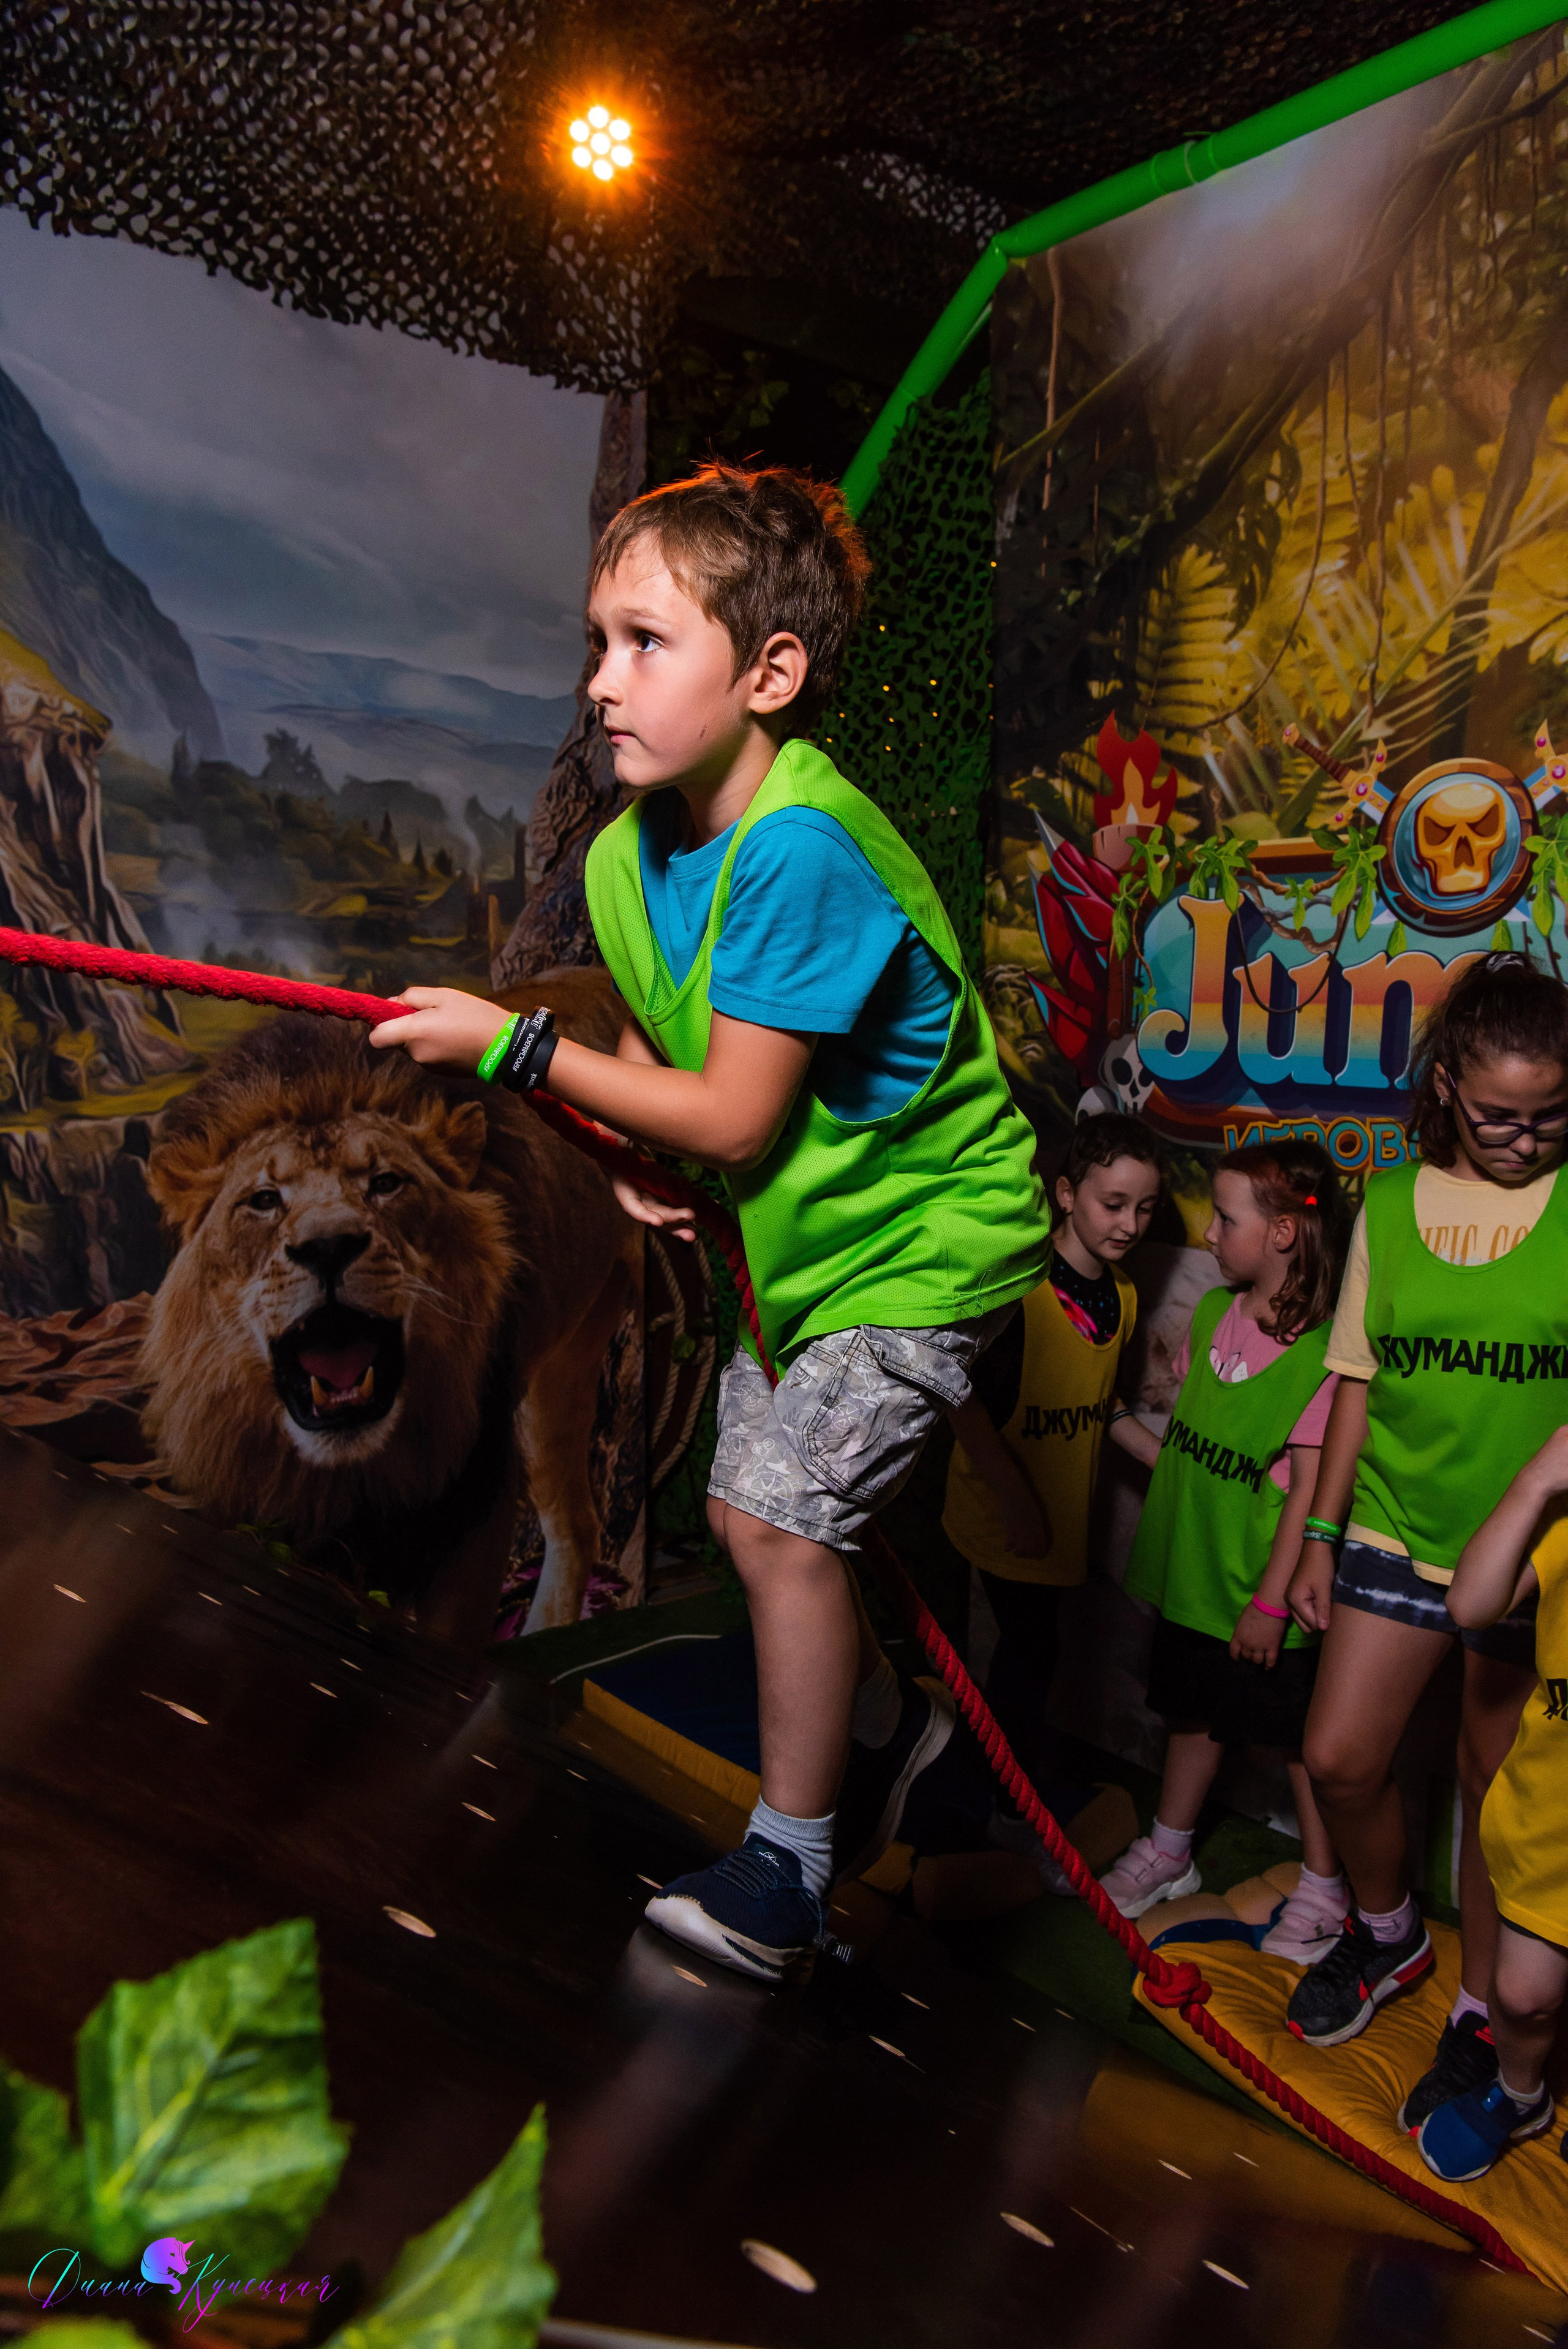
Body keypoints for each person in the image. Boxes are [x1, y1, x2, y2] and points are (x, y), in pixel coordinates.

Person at [368, 462, 1050, 1983]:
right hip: (801, 1240)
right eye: (595, 642)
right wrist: (617, 1144)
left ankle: (790, 1872)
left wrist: (519, 1047)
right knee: (756, 1514)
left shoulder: (804, 847)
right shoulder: (622, 859)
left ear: (770, 672)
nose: (601, 683)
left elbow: (739, 1116)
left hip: (927, 1236)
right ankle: (889, 1725)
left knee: (773, 1521)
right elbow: (691, 1083)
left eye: (645, 643)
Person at [1285, 954, 1567, 2127]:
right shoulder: (1391, 1208)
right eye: (1501, 1114)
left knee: (1491, 1793)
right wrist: (1319, 1532)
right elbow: (1355, 1380)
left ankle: (1476, 2017)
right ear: (1448, 1085)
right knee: (1343, 1759)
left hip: (1535, 1558)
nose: (1525, 1136)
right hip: (1394, 1533)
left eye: (1553, 1113)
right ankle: (1390, 1933)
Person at [1098, 1141, 1349, 1963]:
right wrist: (1109, 1424)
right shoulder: (1213, 1314)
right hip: (1195, 1575)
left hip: (1258, 1592)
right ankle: (1170, 1848)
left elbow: (1313, 1494)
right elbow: (1192, 1450)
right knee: (1192, 1712)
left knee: (1296, 1743)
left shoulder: (1322, 1359)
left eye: (1227, 1218)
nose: (1209, 1231)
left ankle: (1324, 1883)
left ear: (1283, 1233)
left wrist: (1272, 1604)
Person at [941, 1112, 1161, 1803]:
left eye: (1145, 1208)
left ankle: (1011, 1790)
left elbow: (1102, 1399)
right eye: (1113, 1203)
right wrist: (1011, 1496)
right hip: (1001, 1516)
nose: (1129, 1224)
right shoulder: (1022, 1286)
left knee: (1040, 1656)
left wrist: (1163, 1457)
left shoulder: (1122, 1296)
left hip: (1065, 1520)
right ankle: (1007, 1801)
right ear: (1067, 1194)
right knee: (1027, 1657)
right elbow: (959, 1396)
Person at [1415, 1425, 1568, 2182]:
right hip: (1552, 1830)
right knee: (1521, 1992)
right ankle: (1520, 2093)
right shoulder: (1563, 1526)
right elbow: (1471, 1602)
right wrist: (1536, 1481)